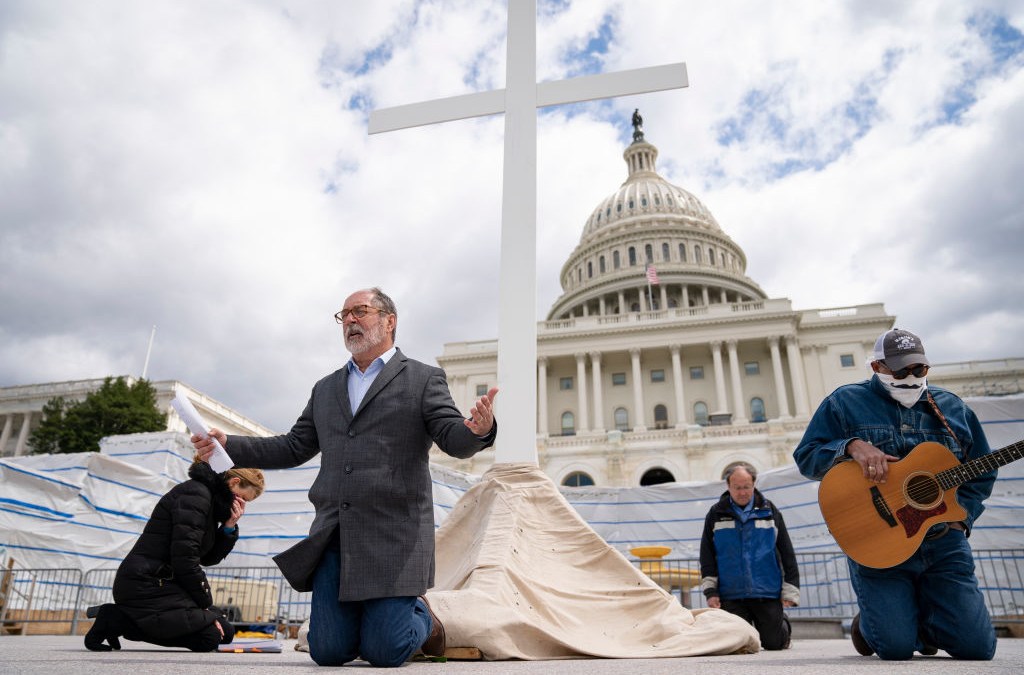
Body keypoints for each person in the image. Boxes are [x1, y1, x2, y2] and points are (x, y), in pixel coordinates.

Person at [192, 287, 498, 667]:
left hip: (394, 537)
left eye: (360, 311)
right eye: (344, 315)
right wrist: (229, 444)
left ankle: (424, 617)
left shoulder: (423, 378)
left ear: (389, 321)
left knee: (385, 652)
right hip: (336, 533)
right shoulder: (325, 389)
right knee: (328, 651)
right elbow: (293, 446)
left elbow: (453, 437)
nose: (350, 320)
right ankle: (373, 623)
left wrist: (479, 430)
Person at [793, 328, 997, 661]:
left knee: (978, 649)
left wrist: (963, 518)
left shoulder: (952, 408)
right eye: (901, 371)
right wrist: (850, 446)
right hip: (881, 544)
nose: (912, 377)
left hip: (943, 542)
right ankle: (873, 624)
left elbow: (982, 470)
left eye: (919, 369)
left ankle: (910, 619)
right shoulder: (844, 403)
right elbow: (806, 457)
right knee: (895, 649)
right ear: (877, 367)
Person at [84, 461, 265, 652]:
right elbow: (185, 558)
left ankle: (121, 618)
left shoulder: (210, 500)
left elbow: (207, 559)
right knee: (209, 637)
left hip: (167, 583)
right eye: (241, 498)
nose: (241, 505)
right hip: (146, 583)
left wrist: (228, 527)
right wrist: (205, 604)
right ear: (234, 482)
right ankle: (114, 619)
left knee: (226, 632)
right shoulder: (196, 495)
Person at [699, 462, 799, 650]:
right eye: (737, 488)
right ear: (728, 486)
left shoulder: (770, 511)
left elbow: (787, 552)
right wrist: (711, 592)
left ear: (754, 484)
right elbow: (707, 556)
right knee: (739, 644)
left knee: (774, 643)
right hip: (731, 594)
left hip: (766, 592)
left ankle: (780, 621)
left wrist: (790, 590)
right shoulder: (716, 513)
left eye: (746, 487)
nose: (742, 492)